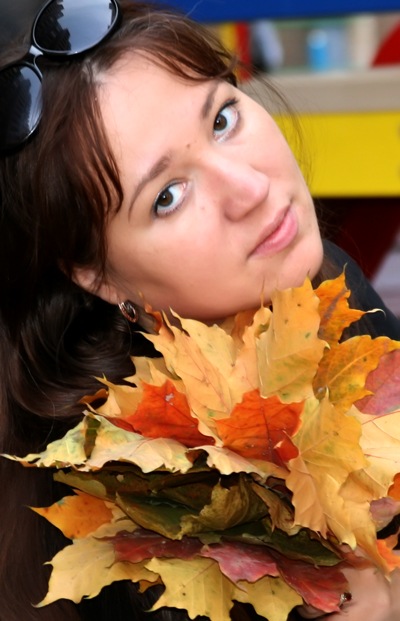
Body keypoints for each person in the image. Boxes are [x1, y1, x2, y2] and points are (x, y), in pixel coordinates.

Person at [0, 1, 400, 620]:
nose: (251, 188)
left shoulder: (329, 287)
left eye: (222, 119)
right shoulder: (132, 513)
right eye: (167, 196)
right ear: (99, 277)